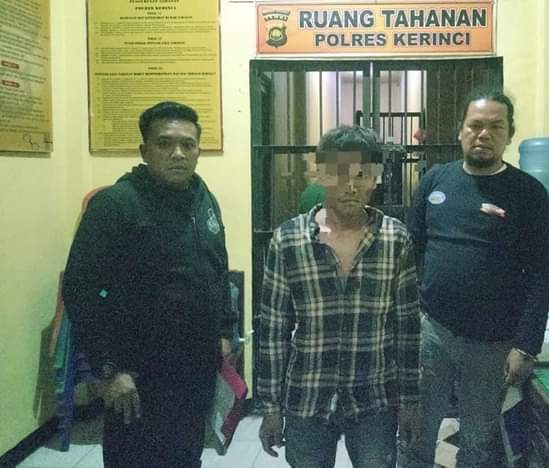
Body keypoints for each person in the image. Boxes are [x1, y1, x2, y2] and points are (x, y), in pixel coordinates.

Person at [62, 101, 235, 468]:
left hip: (194, 372)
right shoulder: (117, 205)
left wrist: (223, 330)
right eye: (164, 143)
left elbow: (218, 269)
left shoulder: (203, 198)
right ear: (144, 151)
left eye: (188, 144)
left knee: (186, 458)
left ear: (198, 150)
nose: (178, 153)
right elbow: (82, 289)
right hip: (137, 378)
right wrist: (109, 369)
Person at [401, 90, 549, 467]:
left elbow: (541, 272)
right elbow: (410, 252)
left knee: (477, 443)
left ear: (509, 134)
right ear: (461, 131)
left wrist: (526, 345)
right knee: (415, 433)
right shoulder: (435, 181)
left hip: (493, 343)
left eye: (495, 127)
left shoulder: (529, 193)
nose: (483, 134)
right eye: (475, 125)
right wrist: (410, 319)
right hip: (433, 333)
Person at [256, 125, 422, 468]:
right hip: (308, 395)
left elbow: (407, 329)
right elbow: (273, 331)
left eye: (362, 174)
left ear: (375, 178)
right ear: (321, 174)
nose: (351, 185)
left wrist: (409, 402)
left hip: (375, 397)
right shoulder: (288, 241)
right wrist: (271, 407)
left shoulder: (395, 239)